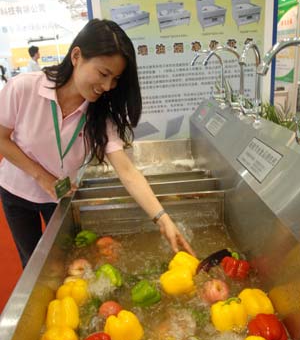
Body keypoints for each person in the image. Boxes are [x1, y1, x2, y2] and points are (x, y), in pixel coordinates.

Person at [0, 19, 194, 268]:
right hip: (16, 191)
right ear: (77, 56)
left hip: (59, 198)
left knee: (58, 265)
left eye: (114, 79)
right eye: (103, 74)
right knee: (32, 263)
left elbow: (127, 171)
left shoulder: (99, 115)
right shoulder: (24, 88)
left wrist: (163, 218)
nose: (107, 86)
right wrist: (42, 177)